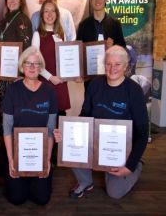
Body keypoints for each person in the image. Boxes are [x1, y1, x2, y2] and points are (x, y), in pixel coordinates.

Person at [54, 45, 149, 199]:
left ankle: (137, 164)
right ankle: (85, 181)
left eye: (117, 64)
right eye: (108, 64)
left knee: (115, 193)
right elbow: (85, 115)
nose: (112, 68)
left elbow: (143, 132)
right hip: (96, 141)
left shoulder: (134, 90)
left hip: (121, 149)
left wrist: (129, 165)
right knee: (67, 142)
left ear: (125, 66)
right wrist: (67, 131)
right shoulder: (95, 84)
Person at [2, 46, 57, 205]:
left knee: (41, 199)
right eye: (28, 63)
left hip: (40, 153)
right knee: (16, 198)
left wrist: (47, 160)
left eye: (36, 63)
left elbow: (51, 129)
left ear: (41, 67)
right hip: (17, 152)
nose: (32, 67)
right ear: (22, 66)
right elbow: (7, 129)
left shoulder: (50, 92)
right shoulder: (12, 90)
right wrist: (11, 159)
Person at [0, 0, 33, 135]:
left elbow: (27, 49)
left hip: (15, 77)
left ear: (21, 1)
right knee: (3, 112)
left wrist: (22, 74)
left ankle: (14, 151)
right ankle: (3, 150)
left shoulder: (22, 19)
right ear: (6, 0)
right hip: (2, 75)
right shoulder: (4, 21)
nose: (12, 0)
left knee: (13, 113)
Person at [77, 0, 127, 91]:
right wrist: (80, 72)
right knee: (91, 104)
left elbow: (123, 48)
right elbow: (79, 51)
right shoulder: (83, 25)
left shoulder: (115, 24)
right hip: (90, 77)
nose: (97, 0)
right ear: (90, 1)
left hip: (111, 74)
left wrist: (114, 46)